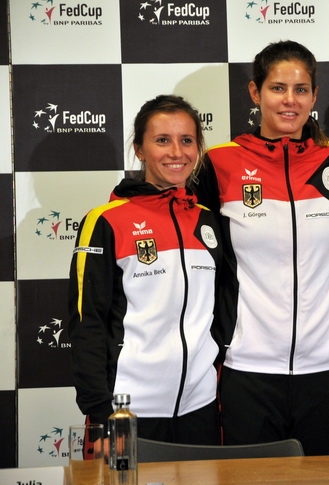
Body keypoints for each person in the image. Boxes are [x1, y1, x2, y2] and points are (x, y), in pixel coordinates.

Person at [195, 40, 329, 456]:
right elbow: (197, 258)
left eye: (301, 89)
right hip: (249, 370)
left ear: (315, 96)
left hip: (326, 367)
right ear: (255, 92)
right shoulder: (220, 162)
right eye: (278, 88)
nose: (290, 100)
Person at [68, 94, 223, 445]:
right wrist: (101, 411)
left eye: (187, 140)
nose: (176, 152)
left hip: (200, 406)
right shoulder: (106, 220)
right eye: (162, 140)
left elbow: (220, 308)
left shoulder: (207, 219)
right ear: (139, 149)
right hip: (130, 410)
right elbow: (86, 321)